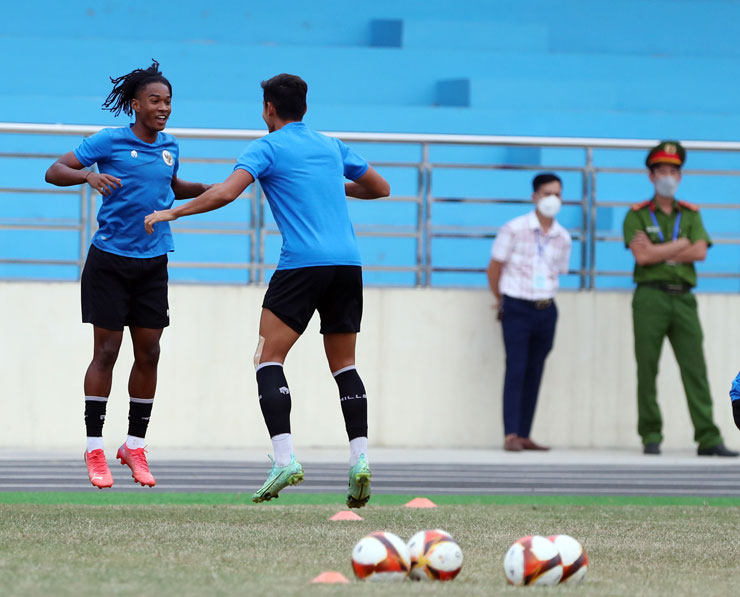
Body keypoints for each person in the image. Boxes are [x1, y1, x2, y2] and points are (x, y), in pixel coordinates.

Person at [144, 73, 390, 507]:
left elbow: (224, 194)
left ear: (268, 109)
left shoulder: (267, 147)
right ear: (306, 109)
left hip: (303, 264)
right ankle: (359, 461)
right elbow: (380, 187)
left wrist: (174, 213)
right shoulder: (330, 145)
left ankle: (284, 459)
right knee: (345, 365)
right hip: (348, 264)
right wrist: (331, 189)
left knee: (268, 357)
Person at [45, 61, 210, 489]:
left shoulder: (171, 146)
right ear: (135, 105)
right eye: (155, 100)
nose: (164, 108)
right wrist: (88, 175)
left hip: (153, 262)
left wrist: (218, 188)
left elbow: (171, 187)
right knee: (107, 352)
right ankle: (94, 447)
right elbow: (54, 171)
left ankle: (134, 445)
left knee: (150, 351)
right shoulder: (110, 140)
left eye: (168, 101)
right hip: (110, 261)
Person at [623, 140, 737, 457]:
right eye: (661, 170)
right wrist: (679, 246)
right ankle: (650, 435)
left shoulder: (691, 213)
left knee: (695, 368)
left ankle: (708, 437)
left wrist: (658, 249)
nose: (667, 176)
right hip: (649, 297)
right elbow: (641, 258)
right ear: (651, 176)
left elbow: (700, 251)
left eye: (673, 170)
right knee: (647, 368)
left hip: (684, 298)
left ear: (680, 176)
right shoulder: (635, 215)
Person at [486, 173, 572, 452]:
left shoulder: (563, 237)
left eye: (557, 194)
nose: (552, 199)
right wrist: (501, 298)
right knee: (516, 367)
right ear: (534, 196)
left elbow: (559, 271)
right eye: (547, 193)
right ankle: (510, 433)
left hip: (546, 308)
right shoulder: (514, 228)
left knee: (535, 370)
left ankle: (524, 433)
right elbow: (495, 266)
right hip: (517, 306)